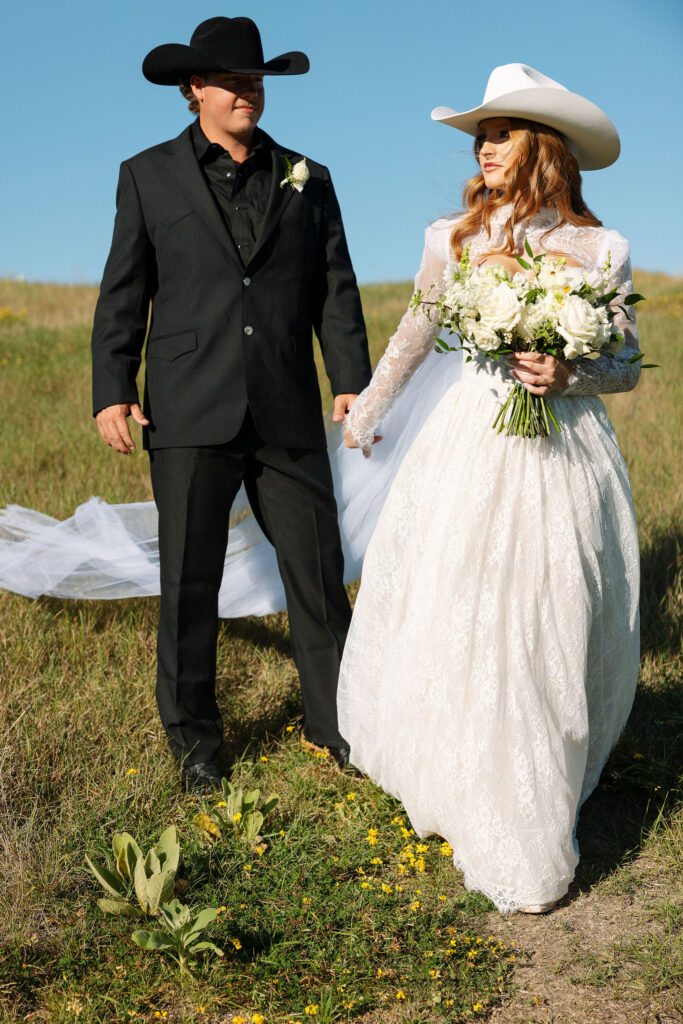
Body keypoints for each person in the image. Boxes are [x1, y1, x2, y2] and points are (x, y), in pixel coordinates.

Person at [338, 64, 641, 914]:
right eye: (480, 135)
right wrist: (370, 404)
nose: (484, 147)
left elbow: (624, 365)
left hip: (562, 455)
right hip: (469, 442)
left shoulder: (601, 249)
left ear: (542, 145)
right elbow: (418, 324)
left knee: (550, 608)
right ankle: (466, 777)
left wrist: (569, 366)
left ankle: (539, 782)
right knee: (462, 601)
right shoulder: (452, 237)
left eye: (501, 131)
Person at [91, 16, 372, 790]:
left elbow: (335, 291)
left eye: (257, 79)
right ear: (195, 90)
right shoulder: (147, 175)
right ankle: (195, 745)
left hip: (286, 407)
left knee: (318, 575)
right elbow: (124, 292)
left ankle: (340, 727)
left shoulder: (308, 178)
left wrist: (350, 378)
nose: (249, 90)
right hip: (186, 407)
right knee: (189, 584)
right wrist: (112, 388)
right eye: (233, 79)